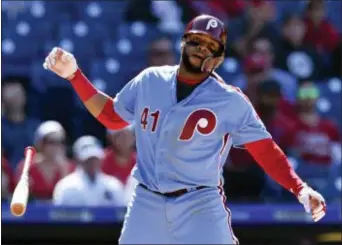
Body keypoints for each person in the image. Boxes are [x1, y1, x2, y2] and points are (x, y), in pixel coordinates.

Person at [44, 14, 326, 244]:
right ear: (184, 43)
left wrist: (300, 188)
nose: (202, 48)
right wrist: (74, 75)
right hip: (147, 199)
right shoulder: (150, 79)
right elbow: (112, 117)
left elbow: (265, 150)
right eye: (197, 40)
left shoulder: (230, 101)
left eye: (211, 46)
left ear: (219, 57)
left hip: (199, 202)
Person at [53, 136, 126, 206]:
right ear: (78, 159)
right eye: (88, 159)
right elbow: (57, 214)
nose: (92, 163)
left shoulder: (113, 185)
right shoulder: (65, 186)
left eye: (95, 158)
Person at [15, 121, 74, 200]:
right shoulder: (27, 166)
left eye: (60, 142)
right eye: (51, 142)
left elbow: (71, 196)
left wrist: (64, 171)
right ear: (40, 143)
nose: (56, 146)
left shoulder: (71, 167)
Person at [1, 80, 41, 167]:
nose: (14, 99)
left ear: (24, 98)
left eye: (17, 95)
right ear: (3, 100)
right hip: (6, 176)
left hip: (31, 174)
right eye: (11, 96)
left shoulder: (36, 127)